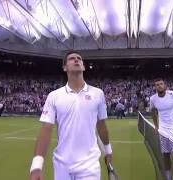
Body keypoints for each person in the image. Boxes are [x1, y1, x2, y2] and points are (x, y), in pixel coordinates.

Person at [29, 51, 113, 180]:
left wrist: (108, 151)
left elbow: (101, 125)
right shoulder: (54, 96)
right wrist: (36, 165)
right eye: (71, 59)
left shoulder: (98, 94)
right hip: (61, 165)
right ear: (65, 67)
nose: (76, 60)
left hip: (89, 165)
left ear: (83, 67)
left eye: (79, 58)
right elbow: (46, 130)